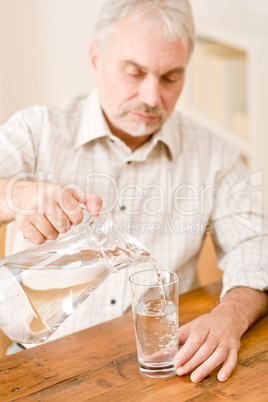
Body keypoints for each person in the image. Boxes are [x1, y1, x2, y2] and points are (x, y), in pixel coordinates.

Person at [0, 0, 267, 383]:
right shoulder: (38, 130)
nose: (152, 98)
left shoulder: (215, 156)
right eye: (134, 72)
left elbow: (256, 246)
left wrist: (229, 316)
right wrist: (17, 194)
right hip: (39, 366)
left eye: (171, 78)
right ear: (96, 59)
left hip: (162, 371)